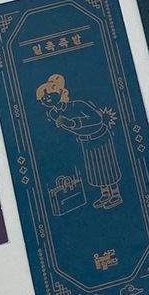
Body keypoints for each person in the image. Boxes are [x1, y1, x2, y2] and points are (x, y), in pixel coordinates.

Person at [36, 74, 122, 209]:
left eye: (50, 94)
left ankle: (115, 194)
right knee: (95, 169)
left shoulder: (77, 104)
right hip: (86, 142)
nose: (47, 98)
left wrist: (74, 123)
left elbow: (96, 118)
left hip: (100, 137)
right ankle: (105, 194)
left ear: (60, 92)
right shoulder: (53, 114)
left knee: (107, 166)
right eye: (43, 97)